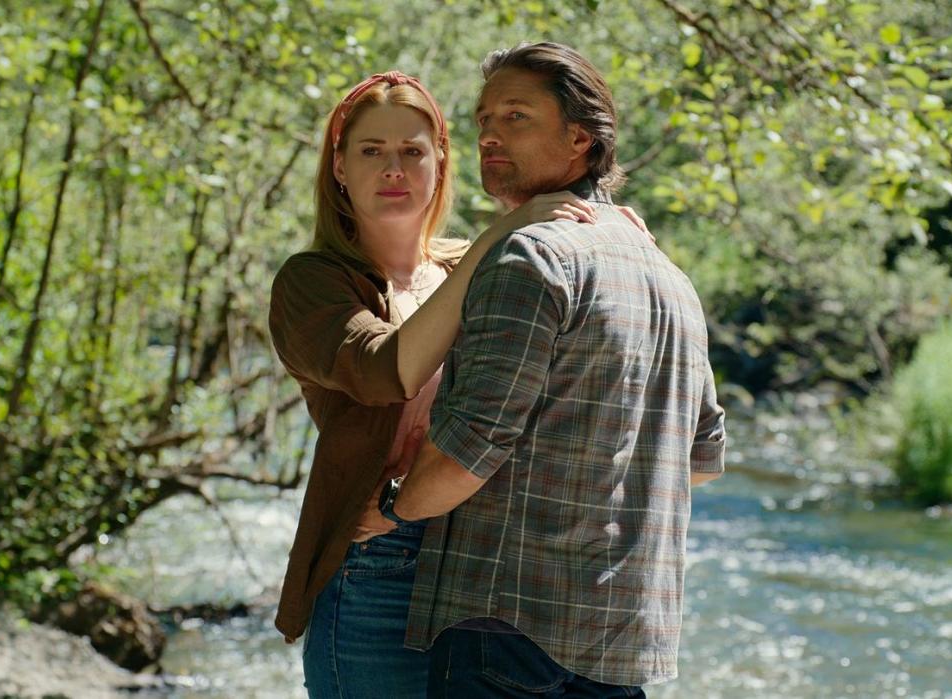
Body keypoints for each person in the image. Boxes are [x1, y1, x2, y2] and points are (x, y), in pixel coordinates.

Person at [377, 42, 727, 696]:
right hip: (624, 639)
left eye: (515, 117)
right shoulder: (672, 278)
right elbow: (701, 461)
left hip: (506, 633)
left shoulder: (530, 257)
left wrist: (392, 507)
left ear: (580, 138)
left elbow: (466, 454)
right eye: (483, 119)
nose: (488, 134)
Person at [268, 71, 609, 698]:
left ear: (439, 163)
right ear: (339, 167)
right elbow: (385, 371)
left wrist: (611, 234)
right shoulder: (310, 281)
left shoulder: (474, 262)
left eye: (412, 151)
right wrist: (498, 236)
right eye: (372, 151)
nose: (393, 168)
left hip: (487, 563)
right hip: (381, 558)